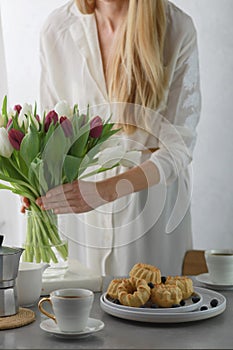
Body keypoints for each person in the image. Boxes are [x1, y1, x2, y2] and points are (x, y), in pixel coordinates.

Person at [22, 0, 201, 277]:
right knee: (83, 315)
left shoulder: (177, 27)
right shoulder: (57, 28)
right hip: (81, 217)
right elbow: (53, 132)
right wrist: (38, 183)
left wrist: (103, 192)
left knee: (149, 309)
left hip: (149, 216)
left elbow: (178, 147)